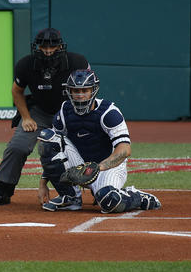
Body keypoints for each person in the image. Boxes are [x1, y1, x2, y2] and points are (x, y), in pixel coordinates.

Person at [36, 69, 161, 213]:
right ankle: (70, 197)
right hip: (81, 166)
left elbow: (125, 149)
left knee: (109, 200)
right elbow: (53, 149)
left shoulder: (109, 112)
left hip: (109, 166)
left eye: (85, 90)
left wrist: (96, 169)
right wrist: (42, 183)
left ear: (93, 90)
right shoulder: (65, 111)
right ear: (69, 91)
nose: (80, 95)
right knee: (47, 138)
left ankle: (138, 196)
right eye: (76, 91)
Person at [0, 28, 89, 205]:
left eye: (53, 47)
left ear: (61, 46)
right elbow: (16, 91)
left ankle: (98, 188)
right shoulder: (26, 64)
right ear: (36, 47)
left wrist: (81, 115)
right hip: (39, 112)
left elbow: (89, 87)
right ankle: (2, 190)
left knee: (89, 141)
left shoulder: (77, 61)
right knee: (18, 146)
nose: (48, 51)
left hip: (69, 112)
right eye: (43, 47)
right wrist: (26, 117)